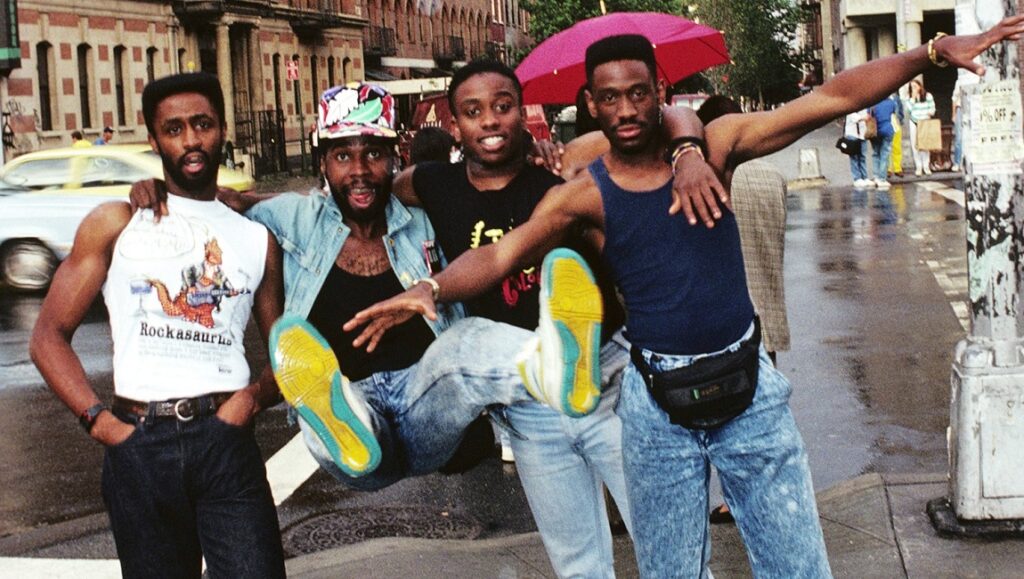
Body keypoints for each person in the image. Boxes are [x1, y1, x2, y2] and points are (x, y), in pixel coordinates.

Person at [346, 20, 1024, 577]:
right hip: (654, 410)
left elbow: (828, 100)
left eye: (639, 94)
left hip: (750, 394)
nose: (625, 110)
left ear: (658, 91)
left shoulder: (717, 144)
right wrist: (428, 288)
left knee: (798, 568)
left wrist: (929, 52)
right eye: (608, 98)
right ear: (590, 104)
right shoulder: (584, 191)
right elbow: (499, 253)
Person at [29, 73, 287, 578]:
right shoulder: (118, 222)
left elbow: (287, 352)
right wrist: (100, 423)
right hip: (139, 445)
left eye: (202, 124)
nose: (191, 140)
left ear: (222, 129)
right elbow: (47, 336)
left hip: (226, 443)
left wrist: (252, 399)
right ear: (153, 138)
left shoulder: (258, 238)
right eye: (174, 129)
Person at [869, 94, 901, 189]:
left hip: (874, 131)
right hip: (887, 129)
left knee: (875, 154)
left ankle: (876, 176)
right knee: (885, 154)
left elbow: (868, 115)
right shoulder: (891, 103)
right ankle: (882, 178)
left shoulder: (872, 104)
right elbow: (896, 113)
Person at [906, 78, 936, 175]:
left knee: (925, 145)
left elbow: (932, 109)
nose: (914, 89)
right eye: (912, 87)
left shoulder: (928, 96)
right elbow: (909, 110)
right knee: (915, 144)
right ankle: (918, 166)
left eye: (915, 86)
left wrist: (928, 114)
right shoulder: (909, 98)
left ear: (919, 86)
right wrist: (913, 98)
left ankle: (926, 166)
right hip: (914, 121)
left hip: (925, 121)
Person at [844, 109, 871, 188]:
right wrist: (864, 118)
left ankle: (865, 177)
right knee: (854, 157)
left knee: (862, 156)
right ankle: (857, 178)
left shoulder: (864, 108)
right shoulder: (850, 108)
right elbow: (855, 118)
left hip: (862, 134)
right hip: (852, 134)